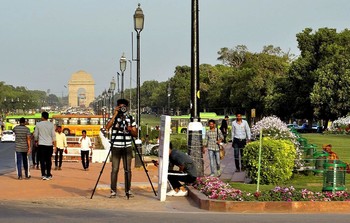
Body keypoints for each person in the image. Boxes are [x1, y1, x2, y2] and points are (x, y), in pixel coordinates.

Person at [106, 98, 137, 198]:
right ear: (117, 107)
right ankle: (113, 191)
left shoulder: (131, 118)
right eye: (120, 107)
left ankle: (128, 190)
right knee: (114, 169)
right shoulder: (113, 118)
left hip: (127, 147)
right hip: (116, 147)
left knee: (128, 169)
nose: (122, 108)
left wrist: (130, 129)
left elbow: (135, 133)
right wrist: (115, 114)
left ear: (127, 108)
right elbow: (107, 127)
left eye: (124, 107)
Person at [34, 111, 56, 180]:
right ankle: (48, 174)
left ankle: (43, 174)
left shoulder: (38, 124)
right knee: (48, 160)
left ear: (42, 117)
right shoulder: (51, 125)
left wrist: (36, 141)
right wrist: (55, 145)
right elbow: (53, 136)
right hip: (49, 144)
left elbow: (36, 135)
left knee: (42, 160)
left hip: (41, 144)